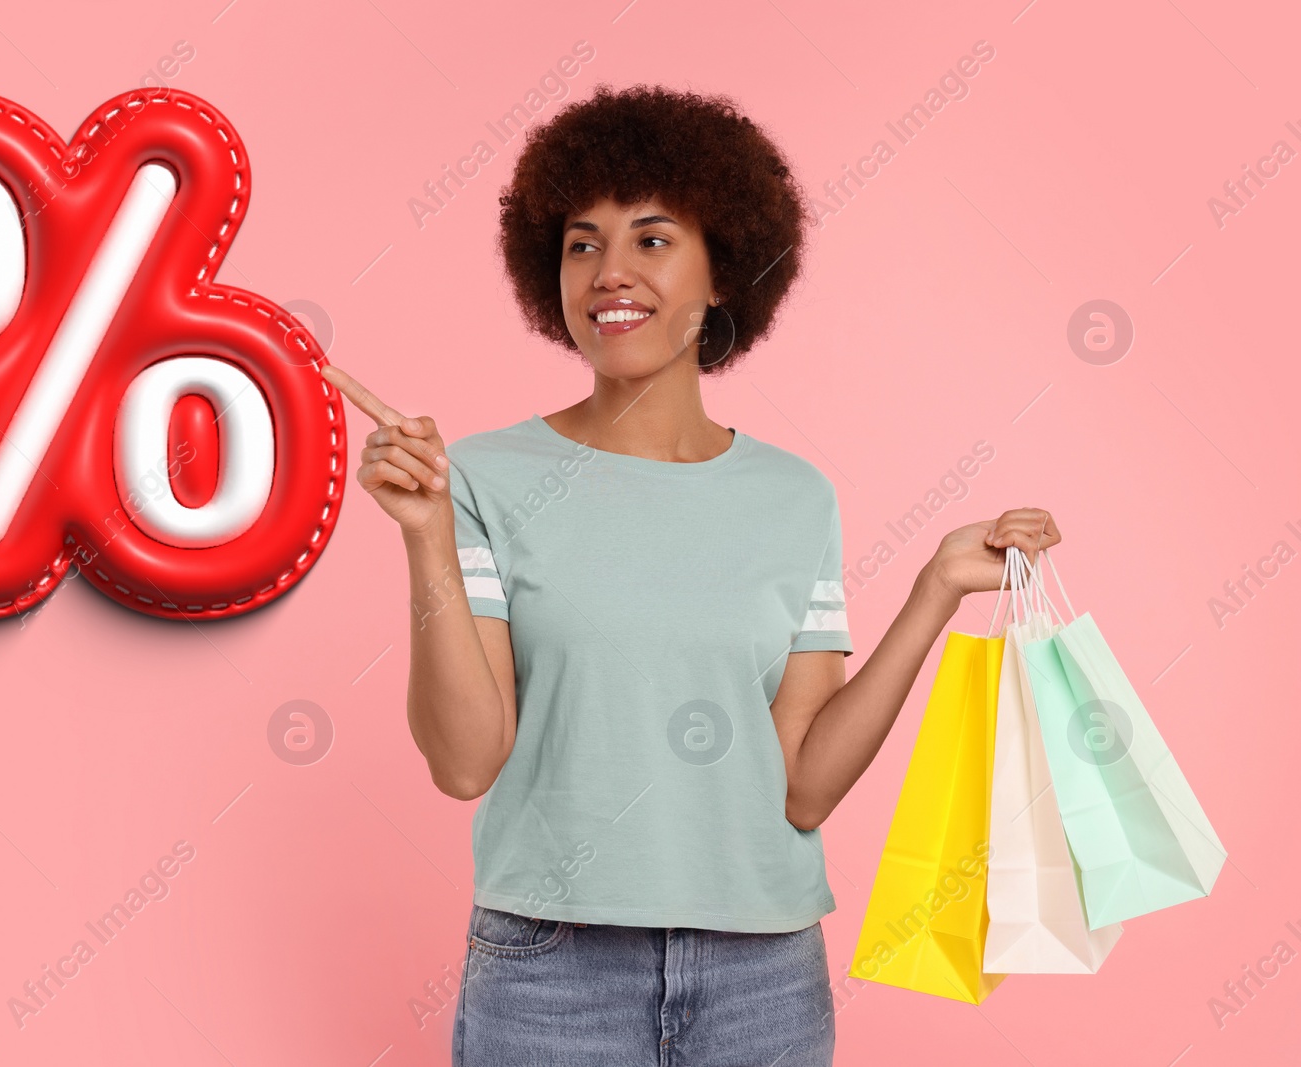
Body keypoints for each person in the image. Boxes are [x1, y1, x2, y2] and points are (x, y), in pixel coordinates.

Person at [322, 83, 1059, 1067]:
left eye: (652, 239)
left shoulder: (795, 498)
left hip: (763, 971)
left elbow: (801, 788)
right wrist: (422, 535)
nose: (608, 272)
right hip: (551, 968)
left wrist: (932, 590)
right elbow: (463, 763)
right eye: (582, 242)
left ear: (723, 275)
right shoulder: (484, 480)